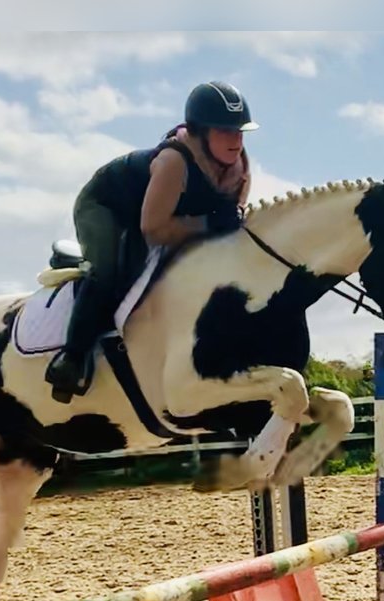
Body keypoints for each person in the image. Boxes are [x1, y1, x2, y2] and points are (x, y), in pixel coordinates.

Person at [44, 80, 258, 402]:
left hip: (156, 213)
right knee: (108, 269)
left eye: (240, 131)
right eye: (225, 131)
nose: (236, 140)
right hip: (105, 207)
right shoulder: (175, 162)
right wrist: (206, 223)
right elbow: (155, 229)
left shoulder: (239, 167)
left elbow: (227, 226)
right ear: (200, 132)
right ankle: (71, 359)